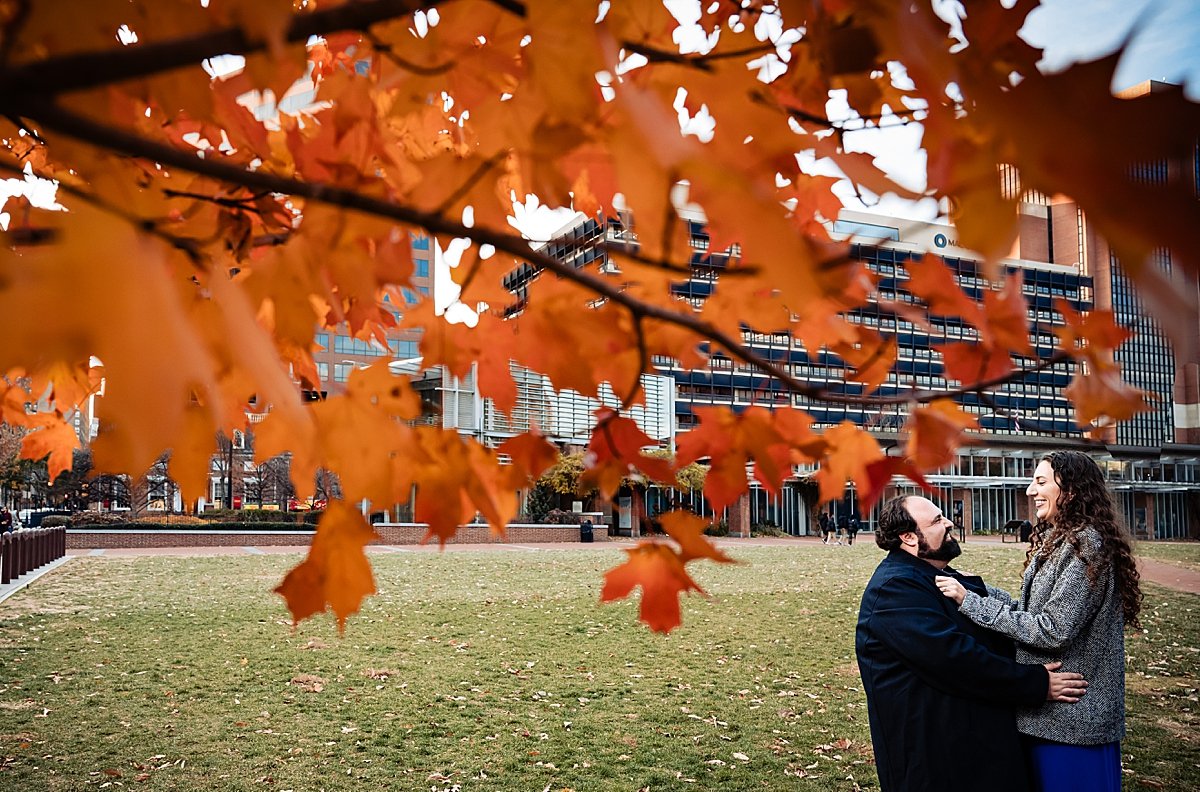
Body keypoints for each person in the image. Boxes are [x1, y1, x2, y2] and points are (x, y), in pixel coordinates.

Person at [936, 450, 1141, 792]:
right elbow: (1032, 611)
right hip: (1047, 716)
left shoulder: (1087, 545)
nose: (1030, 490)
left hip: (1075, 722)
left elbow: (1051, 628)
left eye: (1041, 482)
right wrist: (978, 588)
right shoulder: (1061, 539)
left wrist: (969, 601)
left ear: (1072, 491)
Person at [858, 495, 1086, 792]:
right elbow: (955, 660)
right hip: (936, 758)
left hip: (966, 746)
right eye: (937, 521)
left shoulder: (929, 575)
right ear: (909, 538)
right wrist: (1036, 684)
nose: (949, 522)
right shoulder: (895, 589)